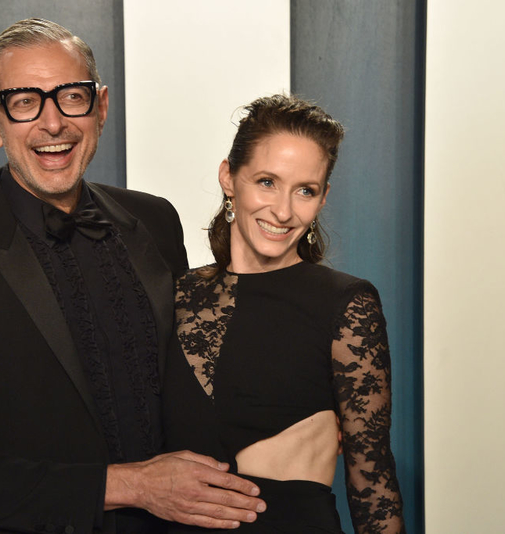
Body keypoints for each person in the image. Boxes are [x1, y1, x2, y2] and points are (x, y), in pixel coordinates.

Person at [0, 18, 265, 534]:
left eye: (71, 97)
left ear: (101, 108)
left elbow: (196, 385)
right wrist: (137, 486)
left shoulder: (155, 220)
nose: (53, 123)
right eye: (24, 102)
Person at [163, 94, 406, 533]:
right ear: (229, 178)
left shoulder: (346, 304)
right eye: (267, 182)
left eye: (305, 191)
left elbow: (373, 481)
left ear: (323, 198)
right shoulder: (176, 294)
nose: (282, 210)